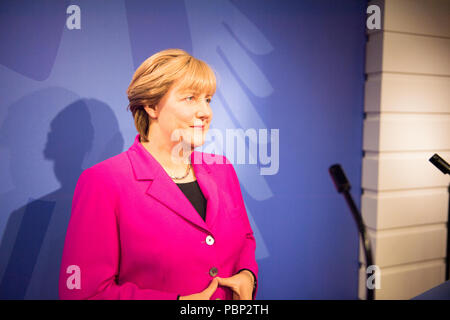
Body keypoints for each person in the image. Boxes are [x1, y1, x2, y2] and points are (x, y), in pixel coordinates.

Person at [58, 49, 258, 300]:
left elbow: (245, 240)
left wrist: (247, 275)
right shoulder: (103, 181)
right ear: (152, 105)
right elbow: (83, 293)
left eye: (207, 100)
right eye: (190, 98)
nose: (206, 112)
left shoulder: (222, 170)